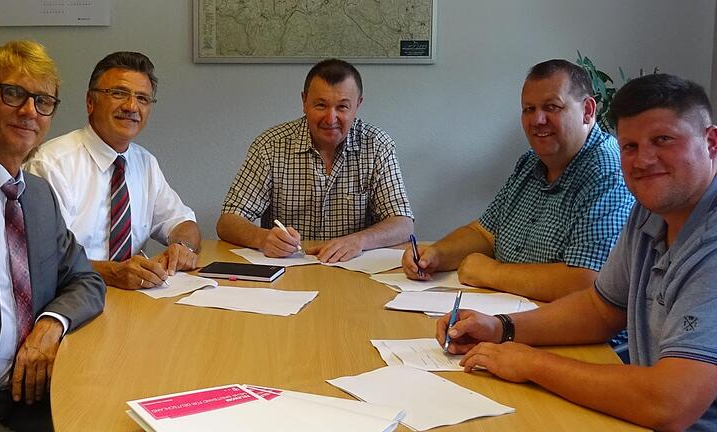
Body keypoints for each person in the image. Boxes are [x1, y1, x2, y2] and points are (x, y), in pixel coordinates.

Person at [438, 73, 717, 430]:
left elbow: (668, 403)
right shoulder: (650, 211)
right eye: (630, 146)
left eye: (662, 140)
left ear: (710, 142)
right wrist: (501, 328)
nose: (643, 160)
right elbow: (601, 308)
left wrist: (533, 364)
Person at [0, 40, 106, 432]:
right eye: (13, 93)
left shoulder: (37, 196)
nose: (28, 111)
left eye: (43, 101)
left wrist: (50, 324)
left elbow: (85, 279)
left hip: (39, 391)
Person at [403, 59, 634, 301]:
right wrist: (436, 255)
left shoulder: (607, 170)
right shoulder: (530, 162)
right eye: (529, 109)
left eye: (552, 107)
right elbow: (485, 233)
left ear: (587, 111)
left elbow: (587, 281)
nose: (538, 120)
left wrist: (492, 272)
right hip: (511, 315)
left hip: (575, 333)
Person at [26, 52, 200, 290]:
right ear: (90, 102)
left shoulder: (144, 163)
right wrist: (111, 273)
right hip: (67, 297)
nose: (131, 106)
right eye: (118, 93)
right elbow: (41, 258)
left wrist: (182, 248)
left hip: (132, 301)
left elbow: (183, 222)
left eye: (142, 98)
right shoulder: (51, 164)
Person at [217, 58, 414, 263]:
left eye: (342, 107)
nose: (330, 119)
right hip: (288, 270)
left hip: (355, 271)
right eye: (321, 105)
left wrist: (359, 241)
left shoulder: (377, 146)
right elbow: (228, 221)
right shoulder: (270, 146)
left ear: (358, 105)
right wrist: (263, 238)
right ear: (304, 101)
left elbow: (402, 224)